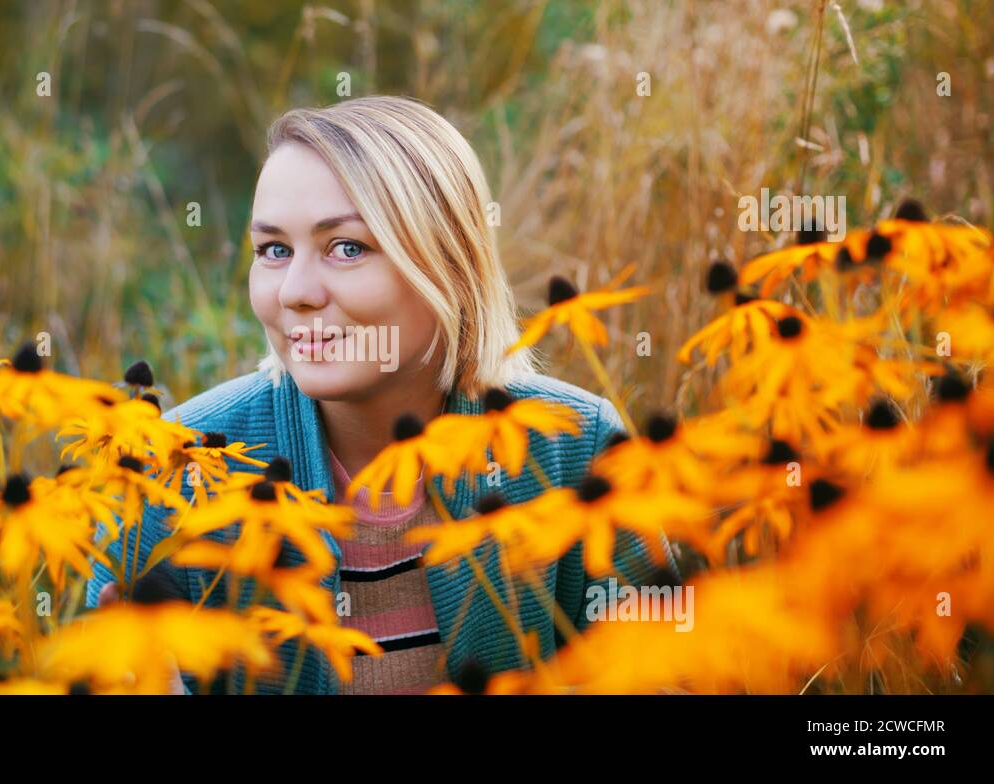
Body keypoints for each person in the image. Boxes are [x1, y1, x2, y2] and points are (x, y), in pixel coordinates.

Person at [87, 95, 676, 695]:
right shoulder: (175, 467)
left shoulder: (575, 448)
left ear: (449, 263)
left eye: (347, 247)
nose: (294, 293)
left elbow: (673, 674)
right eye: (274, 250)